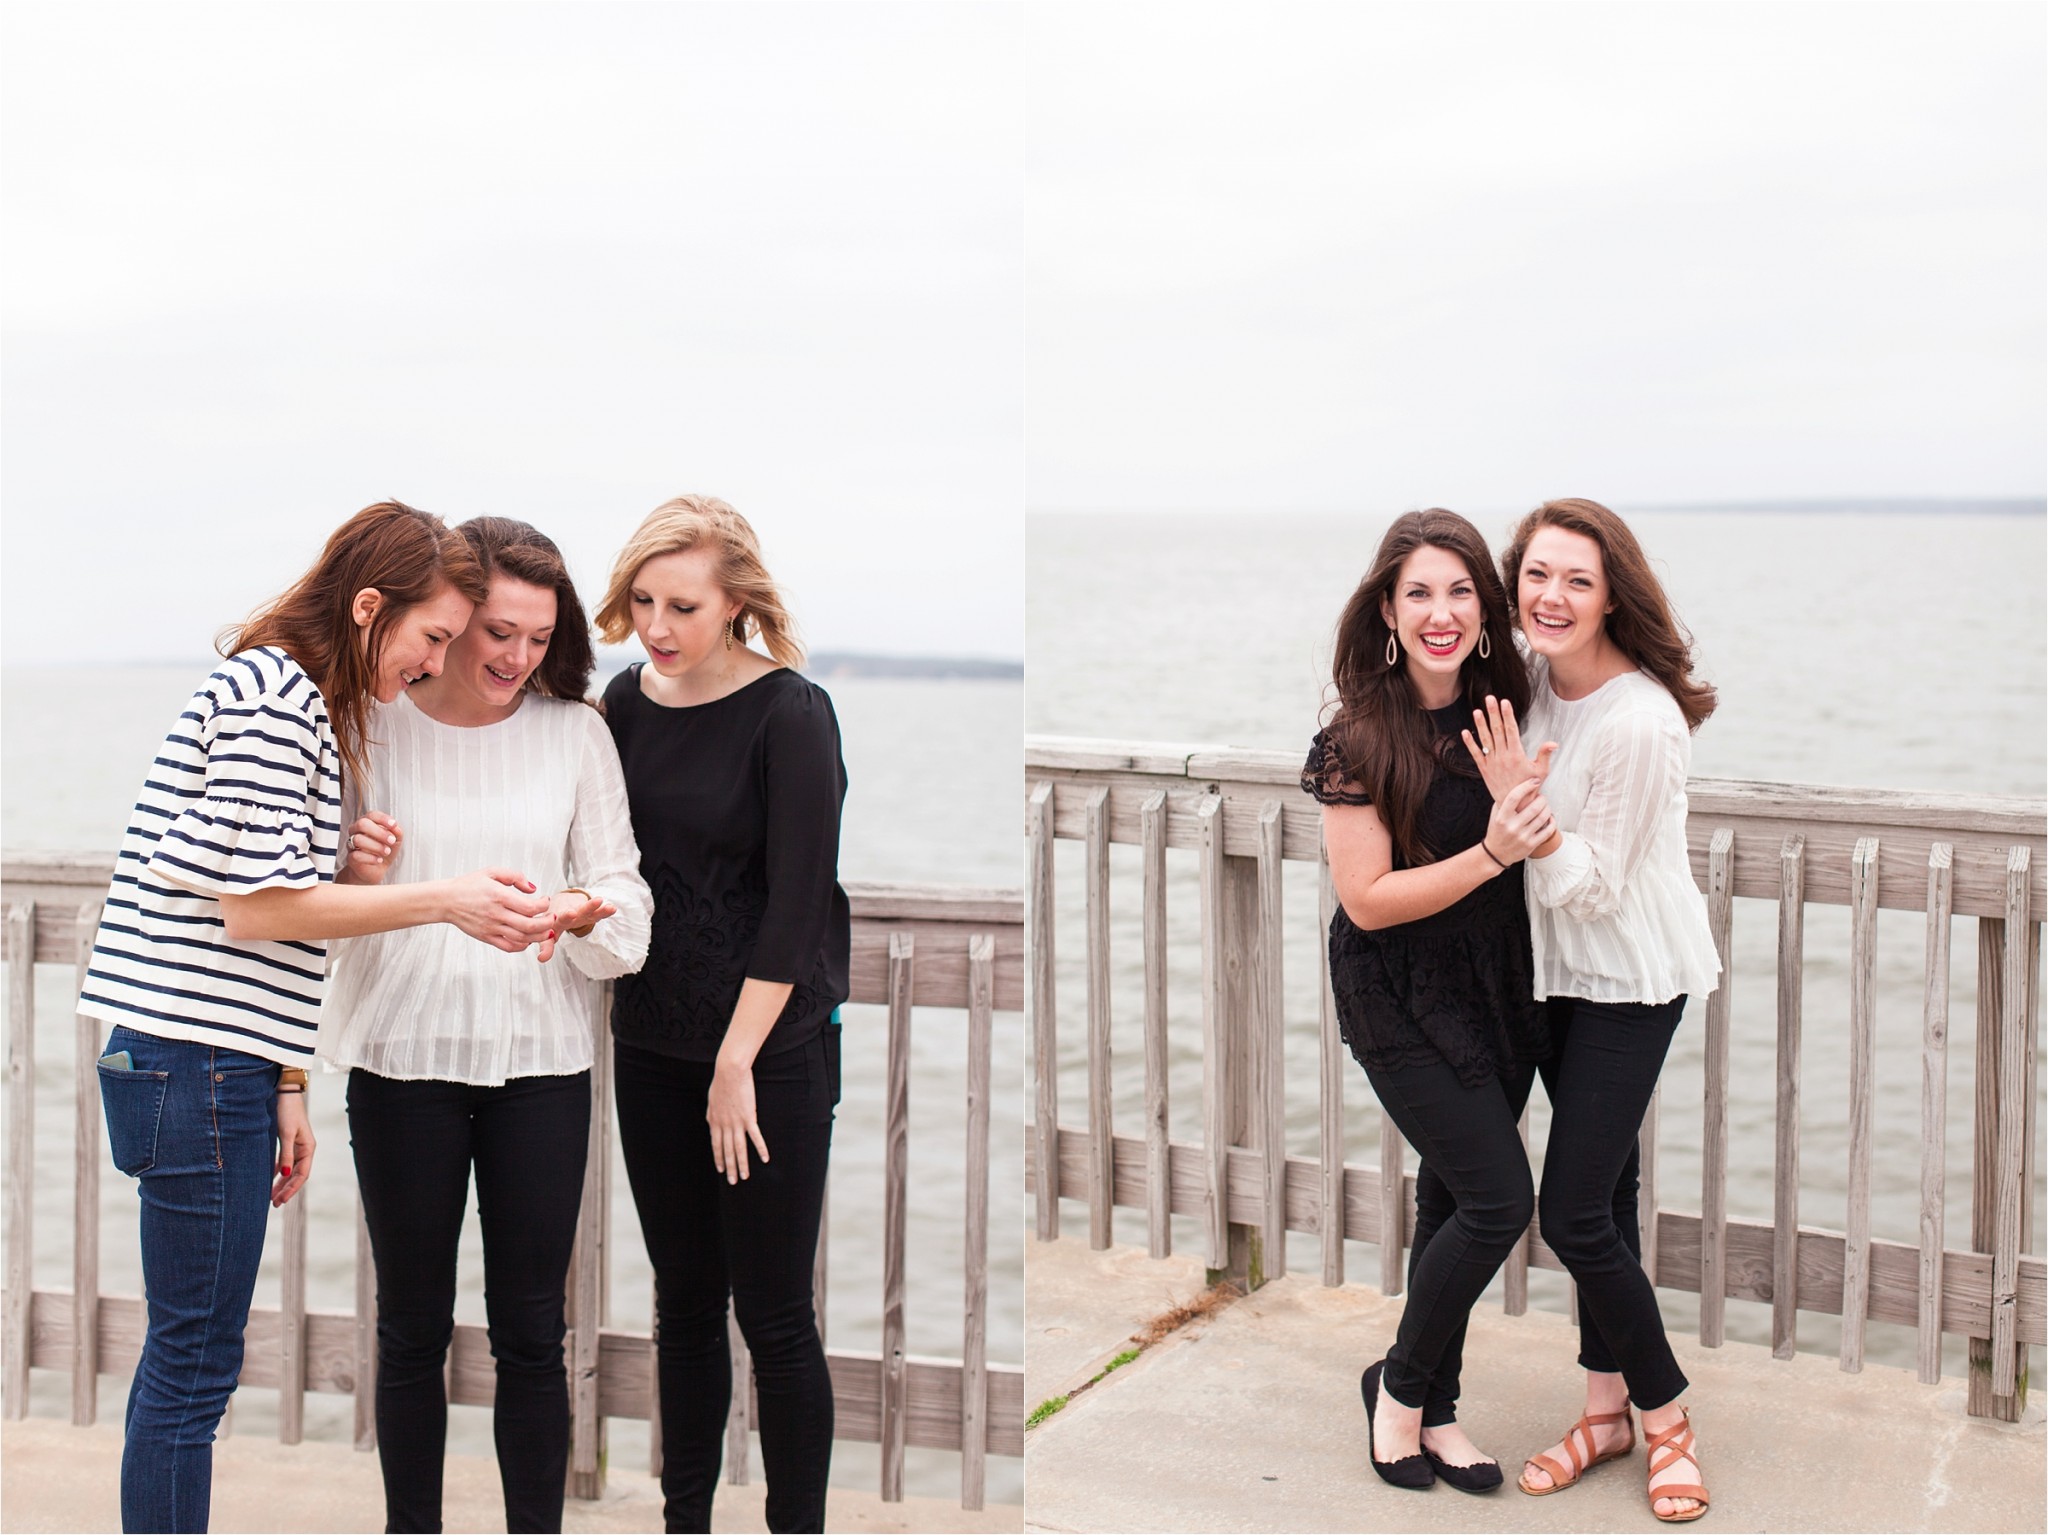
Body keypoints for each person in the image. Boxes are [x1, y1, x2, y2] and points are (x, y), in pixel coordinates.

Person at [81, 501, 561, 1534]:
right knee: (194, 1362)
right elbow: (252, 912)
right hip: (192, 1057)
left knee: (191, 1355)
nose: (433, 663)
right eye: (430, 637)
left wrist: (289, 1068)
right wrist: (441, 897)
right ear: (367, 607)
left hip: (214, 1058)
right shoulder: (276, 700)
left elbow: (261, 898)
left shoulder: (282, 692)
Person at [319, 517, 652, 1534]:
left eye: (538, 637)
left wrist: (580, 910)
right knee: (411, 1330)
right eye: (497, 629)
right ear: (452, 619)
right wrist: (355, 871)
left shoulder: (574, 730)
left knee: (530, 1337)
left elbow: (626, 901)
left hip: (543, 1066)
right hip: (398, 1058)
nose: (515, 656)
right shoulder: (374, 722)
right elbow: (308, 905)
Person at [1462, 496, 1720, 1523]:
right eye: (1534, 574)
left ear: (1612, 588)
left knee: (1569, 1209)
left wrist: (1517, 815)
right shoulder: (1524, 683)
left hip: (1627, 972)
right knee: (1604, 1201)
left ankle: (1666, 1420)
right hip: (1551, 972)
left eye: (1576, 577)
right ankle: (1602, 1409)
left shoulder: (1639, 719)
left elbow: (1596, 886)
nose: (1551, 596)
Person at [594, 495, 849, 1534]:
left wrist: (736, 1060)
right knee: (682, 1305)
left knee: (775, 1315)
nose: (658, 623)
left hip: (768, 1055)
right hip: (650, 1042)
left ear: (735, 601)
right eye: (644, 599)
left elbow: (796, 905)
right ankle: (683, 1520)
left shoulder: (792, 712)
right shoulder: (620, 702)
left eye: (683, 604)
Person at [1303, 508, 1560, 1494]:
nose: (1439, 611)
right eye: (1418, 592)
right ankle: (1399, 1389)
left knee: (1452, 1195)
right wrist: (1493, 848)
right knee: (1500, 1198)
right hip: (1396, 999)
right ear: (1387, 609)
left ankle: (1435, 1409)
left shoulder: (1505, 709)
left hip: (1493, 985)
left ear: (1484, 610)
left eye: (1458, 590)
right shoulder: (1358, 739)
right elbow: (1365, 901)